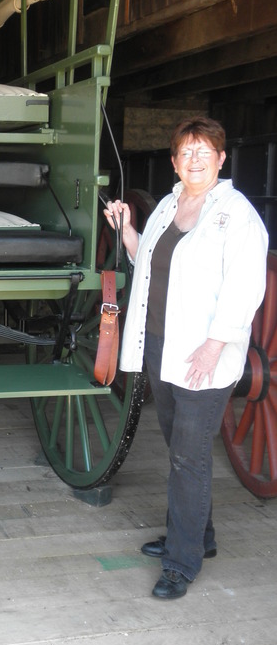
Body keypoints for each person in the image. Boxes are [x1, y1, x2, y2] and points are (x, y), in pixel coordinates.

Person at [104, 116, 268, 600]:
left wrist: (216, 343)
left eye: (205, 151)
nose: (195, 159)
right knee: (181, 446)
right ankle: (201, 536)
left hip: (205, 351)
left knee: (188, 457)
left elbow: (245, 287)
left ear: (221, 159)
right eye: (186, 152)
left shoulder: (236, 214)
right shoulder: (168, 206)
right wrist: (128, 228)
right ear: (175, 161)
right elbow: (147, 262)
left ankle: (182, 560)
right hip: (161, 344)